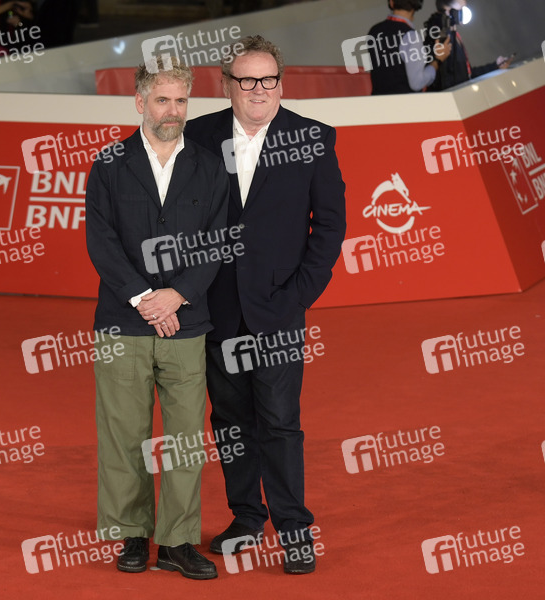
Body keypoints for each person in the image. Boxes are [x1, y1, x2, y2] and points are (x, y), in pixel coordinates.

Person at [185, 35, 347, 574]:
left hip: (279, 307)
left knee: (279, 422)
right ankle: (246, 518)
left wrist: (298, 296)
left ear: (281, 83)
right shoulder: (198, 136)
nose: (259, 89)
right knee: (231, 423)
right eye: (247, 80)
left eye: (269, 79)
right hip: (217, 308)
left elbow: (329, 226)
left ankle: (294, 530)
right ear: (225, 84)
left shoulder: (312, 138)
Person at [85, 56, 230, 580]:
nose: (173, 110)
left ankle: (177, 541)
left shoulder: (210, 166)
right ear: (140, 102)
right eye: (162, 99)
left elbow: (217, 241)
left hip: (185, 324)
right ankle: (132, 534)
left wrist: (178, 296)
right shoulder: (108, 164)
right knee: (124, 436)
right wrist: (146, 297)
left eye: (181, 100)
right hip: (123, 322)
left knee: (186, 439)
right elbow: (100, 241)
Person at [422, 0, 511, 91]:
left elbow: (466, 74)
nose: (465, 11)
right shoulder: (441, 37)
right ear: (450, 10)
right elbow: (446, 82)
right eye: (462, 8)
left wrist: (495, 66)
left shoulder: (453, 35)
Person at [367, 0, 451, 95]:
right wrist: (438, 61)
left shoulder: (374, 31)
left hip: (378, 101)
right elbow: (417, 83)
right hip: (405, 102)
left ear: (391, 3)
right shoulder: (411, 37)